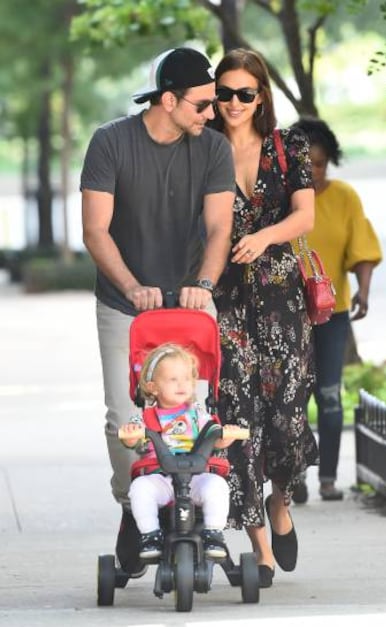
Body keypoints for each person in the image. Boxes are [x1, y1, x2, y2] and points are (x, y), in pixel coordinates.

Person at [80, 47, 236, 575]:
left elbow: (219, 228)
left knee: (200, 409)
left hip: (192, 298)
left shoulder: (213, 149)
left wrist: (204, 282)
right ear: (168, 100)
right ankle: (134, 505)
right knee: (124, 417)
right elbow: (95, 230)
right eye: (201, 104)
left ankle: (197, 512)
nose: (211, 113)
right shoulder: (110, 143)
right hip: (125, 302)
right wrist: (132, 285)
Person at [209, 48, 319, 588]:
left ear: (262, 96)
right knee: (237, 418)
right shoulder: (202, 148)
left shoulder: (286, 146)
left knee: (287, 416)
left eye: (244, 93)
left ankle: (280, 502)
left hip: (281, 301)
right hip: (226, 304)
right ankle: (258, 545)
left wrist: (263, 236)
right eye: (224, 92)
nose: (232, 103)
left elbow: (305, 213)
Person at [290, 117, 383, 502]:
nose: (313, 170)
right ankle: (293, 477)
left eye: (320, 163)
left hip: (332, 313)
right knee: (291, 397)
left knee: (329, 395)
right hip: (287, 314)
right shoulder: (284, 197)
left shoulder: (345, 197)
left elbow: (361, 247)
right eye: (306, 163)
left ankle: (327, 477)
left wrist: (363, 289)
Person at [118, 343, 240, 559]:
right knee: (139, 489)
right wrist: (131, 435)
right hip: (161, 478)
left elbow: (214, 437)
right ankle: (150, 534)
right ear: (153, 387)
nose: (181, 384)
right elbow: (132, 441)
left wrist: (226, 436)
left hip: (196, 477)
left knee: (217, 486)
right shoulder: (146, 418)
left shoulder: (198, 415)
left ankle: (213, 533)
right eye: (173, 379)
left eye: (186, 378)